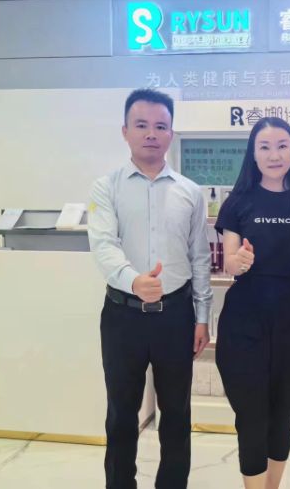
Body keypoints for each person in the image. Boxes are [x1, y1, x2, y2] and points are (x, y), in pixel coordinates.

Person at [88, 88, 212, 489]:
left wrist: (202, 317)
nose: (151, 134)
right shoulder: (106, 187)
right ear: (125, 131)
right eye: (141, 125)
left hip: (176, 317)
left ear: (171, 134)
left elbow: (199, 258)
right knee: (121, 414)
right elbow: (103, 245)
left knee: (176, 414)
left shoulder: (190, 192)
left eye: (161, 126)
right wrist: (134, 280)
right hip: (122, 316)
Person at [214, 117, 290, 489]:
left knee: (284, 411)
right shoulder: (238, 201)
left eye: (282, 146)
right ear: (253, 153)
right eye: (264, 147)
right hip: (245, 320)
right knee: (251, 414)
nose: (274, 155)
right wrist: (239, 260)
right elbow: (229, 262)